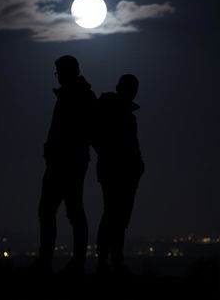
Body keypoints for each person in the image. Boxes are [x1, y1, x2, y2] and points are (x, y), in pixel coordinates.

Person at [38, 55, 97, 274]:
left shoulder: (80, 97)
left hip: (68, 163)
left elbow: (86, 131)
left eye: (59, 72)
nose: (58, 76)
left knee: (68, 211)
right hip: (61, 162)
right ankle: (54, 262)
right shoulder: (74, 96)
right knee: (56, 212)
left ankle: (70, 262)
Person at [94, 74, 144, 274]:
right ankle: (107, 262)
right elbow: (97, 138)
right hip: (115, 171)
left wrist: (137, 165)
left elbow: (132, 146)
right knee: (113, 216)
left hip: (125, 173)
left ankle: (113, 261)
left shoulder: (126, 116)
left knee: (119, 218)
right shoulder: (110, 112)